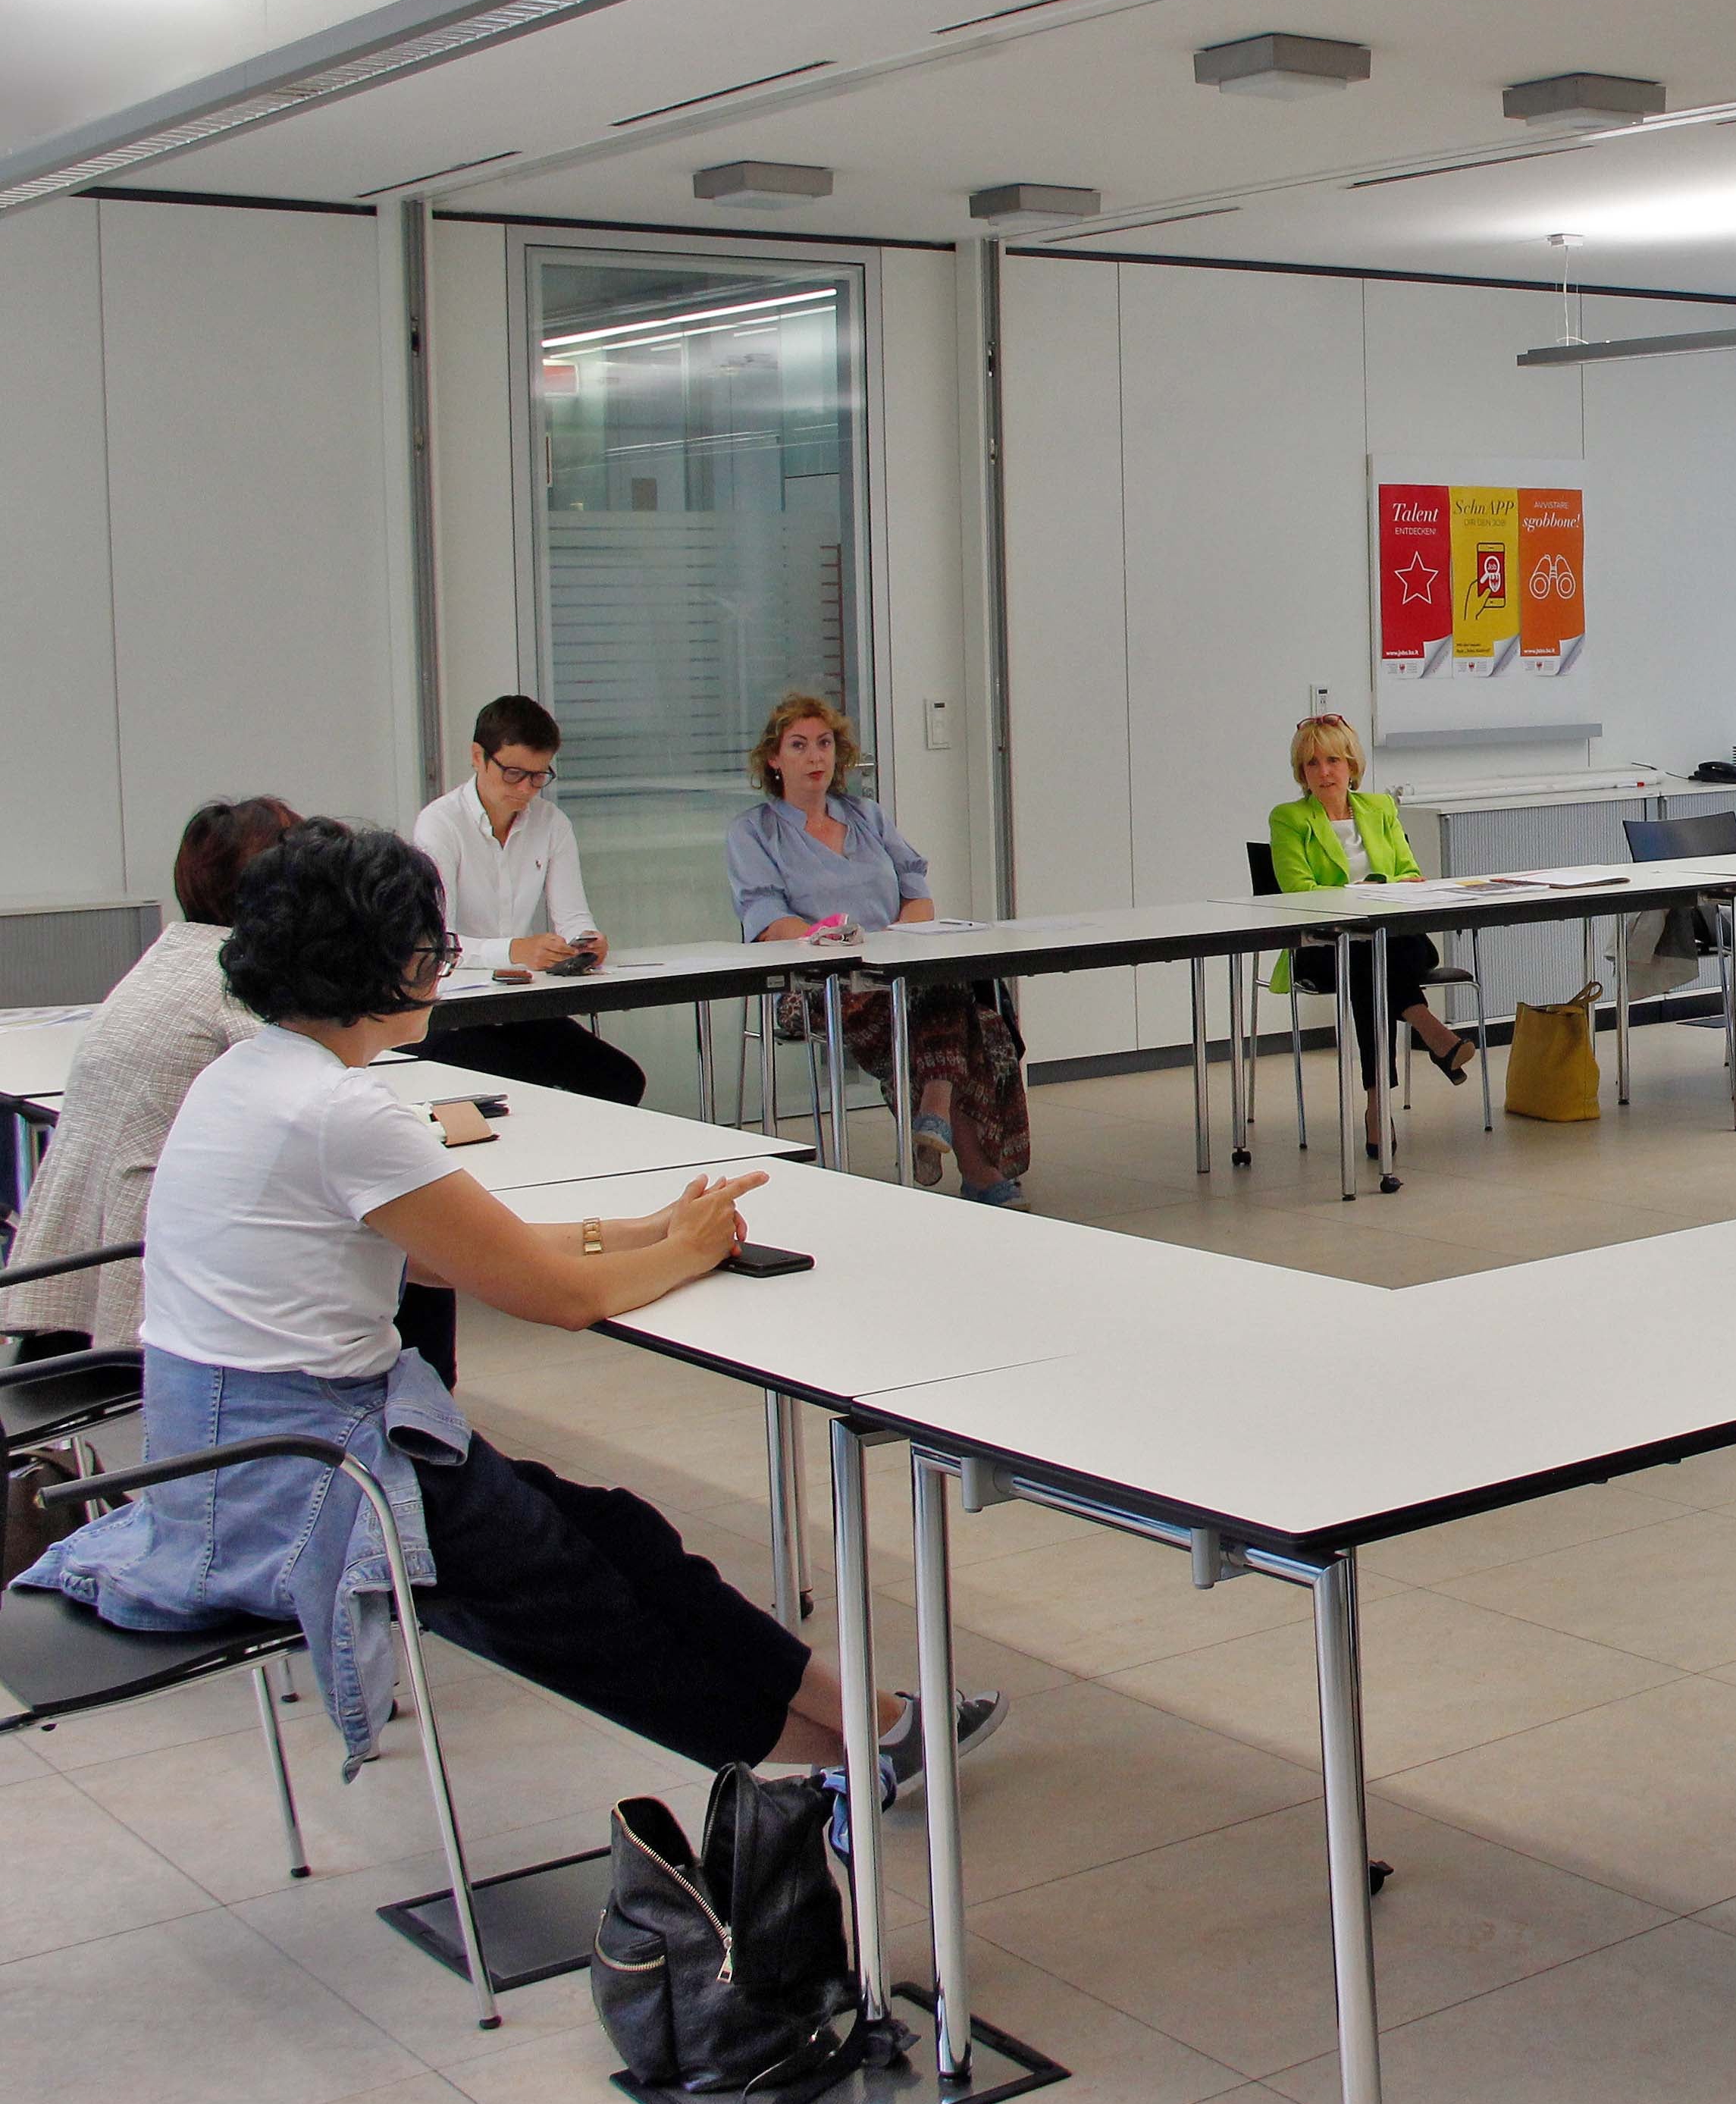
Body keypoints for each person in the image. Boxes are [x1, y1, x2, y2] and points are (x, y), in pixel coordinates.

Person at [11, 820, 1002, 1796]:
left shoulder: (252, 1077)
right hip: (318, 1481)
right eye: (431, 945)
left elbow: (461, 1254)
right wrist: (686, 1249)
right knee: (609, 1613)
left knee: (623, 1534)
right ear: (384, 966)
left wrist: (653, 1231)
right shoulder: (339, 1113)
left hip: (246, 1459)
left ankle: (886, 1727)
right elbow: (555, 1296)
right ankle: (868, 1749)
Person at [2, 798, 296, 1356]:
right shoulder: (235, 992)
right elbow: (316, 1124)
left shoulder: (168, 960)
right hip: (149, 1301)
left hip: (70, 1292)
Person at [726, 695, 1031, 1206]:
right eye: (798, 746)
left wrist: (890, 942)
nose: (815, 757)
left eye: (824, 744)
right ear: (774, 760)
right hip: (813, 981)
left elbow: (919, 898)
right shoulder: (754, 831)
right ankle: (973, 1165)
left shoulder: (866, 815)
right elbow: (766, 921)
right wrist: (830, 938)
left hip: (896, 972)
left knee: (973, 1009)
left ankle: (937, 1120)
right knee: (960, 1012)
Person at [409, 692, 644, 1108]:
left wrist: (586, 942)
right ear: (478, 757)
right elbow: (435, 944)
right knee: (524, 1090)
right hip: (452, 1015)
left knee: (619, 1080)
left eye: (539, 777)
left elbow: (573, 917)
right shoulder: (440, 823)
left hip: (519, 1005)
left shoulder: (551, 824)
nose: (526, 789)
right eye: (514, 773)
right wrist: (515, 950)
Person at [1266, 714, 1477, 1155]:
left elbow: (1410, 872)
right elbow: (1298, 891)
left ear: (1351, 765)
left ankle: (1378, 1103)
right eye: (1312, 764)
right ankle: (1424, 1037)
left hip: (1396, 941)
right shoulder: (1289, 819)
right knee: (1364, 963)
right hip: (1322, 944)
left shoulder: (1380, 808)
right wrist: (1362, 893)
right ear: (1301, 773)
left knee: (1373, 961)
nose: (1324, 772)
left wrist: (1392, 889)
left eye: (1333, 761)